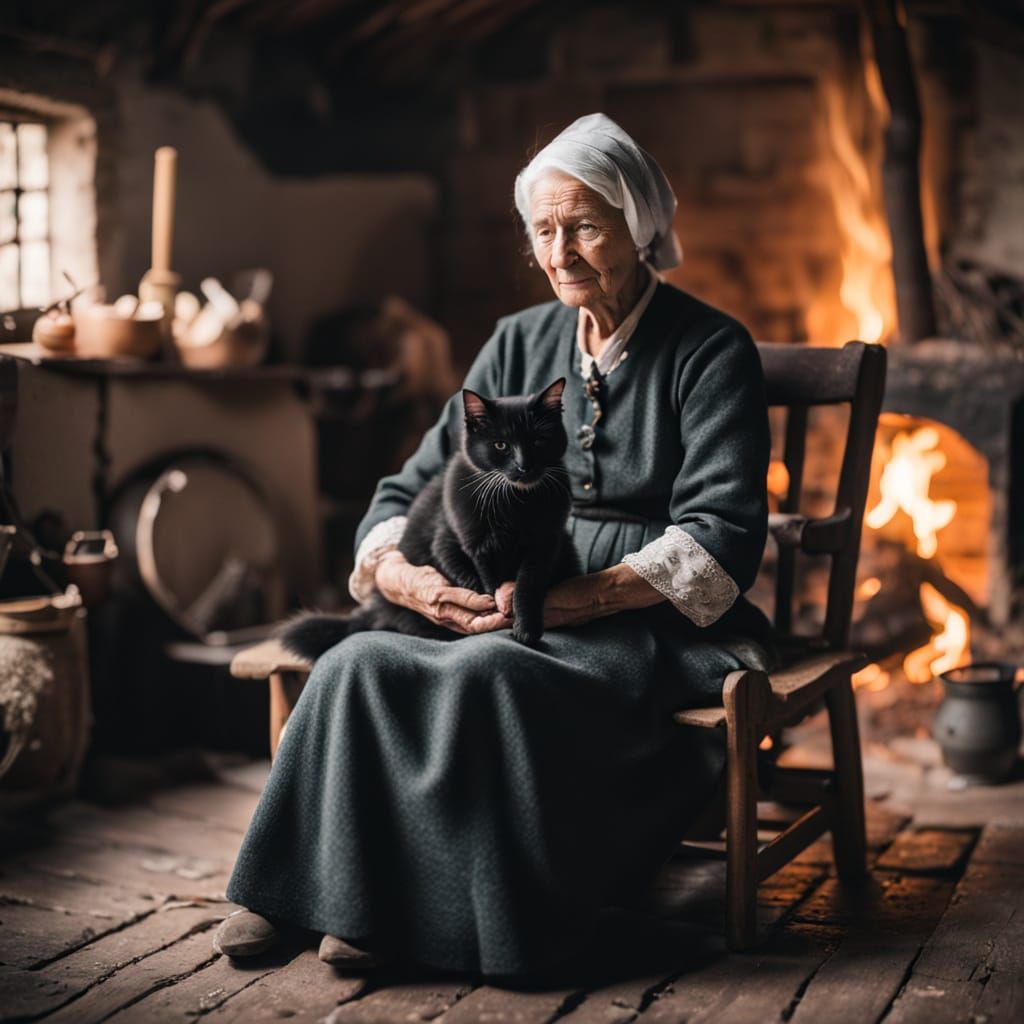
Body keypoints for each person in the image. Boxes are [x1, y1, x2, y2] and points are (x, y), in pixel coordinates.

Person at [216, 112, 773, 978]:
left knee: (486, 675)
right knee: (356, 658)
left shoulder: (710, 350)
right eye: (544, 230)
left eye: (585, 225)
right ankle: (303, 895)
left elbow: (722, 535)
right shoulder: (517, 340)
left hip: (638, 621)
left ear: (640, 226)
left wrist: (568, 599)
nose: (561, 252)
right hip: (500, 601)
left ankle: (413, 922)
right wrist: (403, 578)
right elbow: (411, 484)